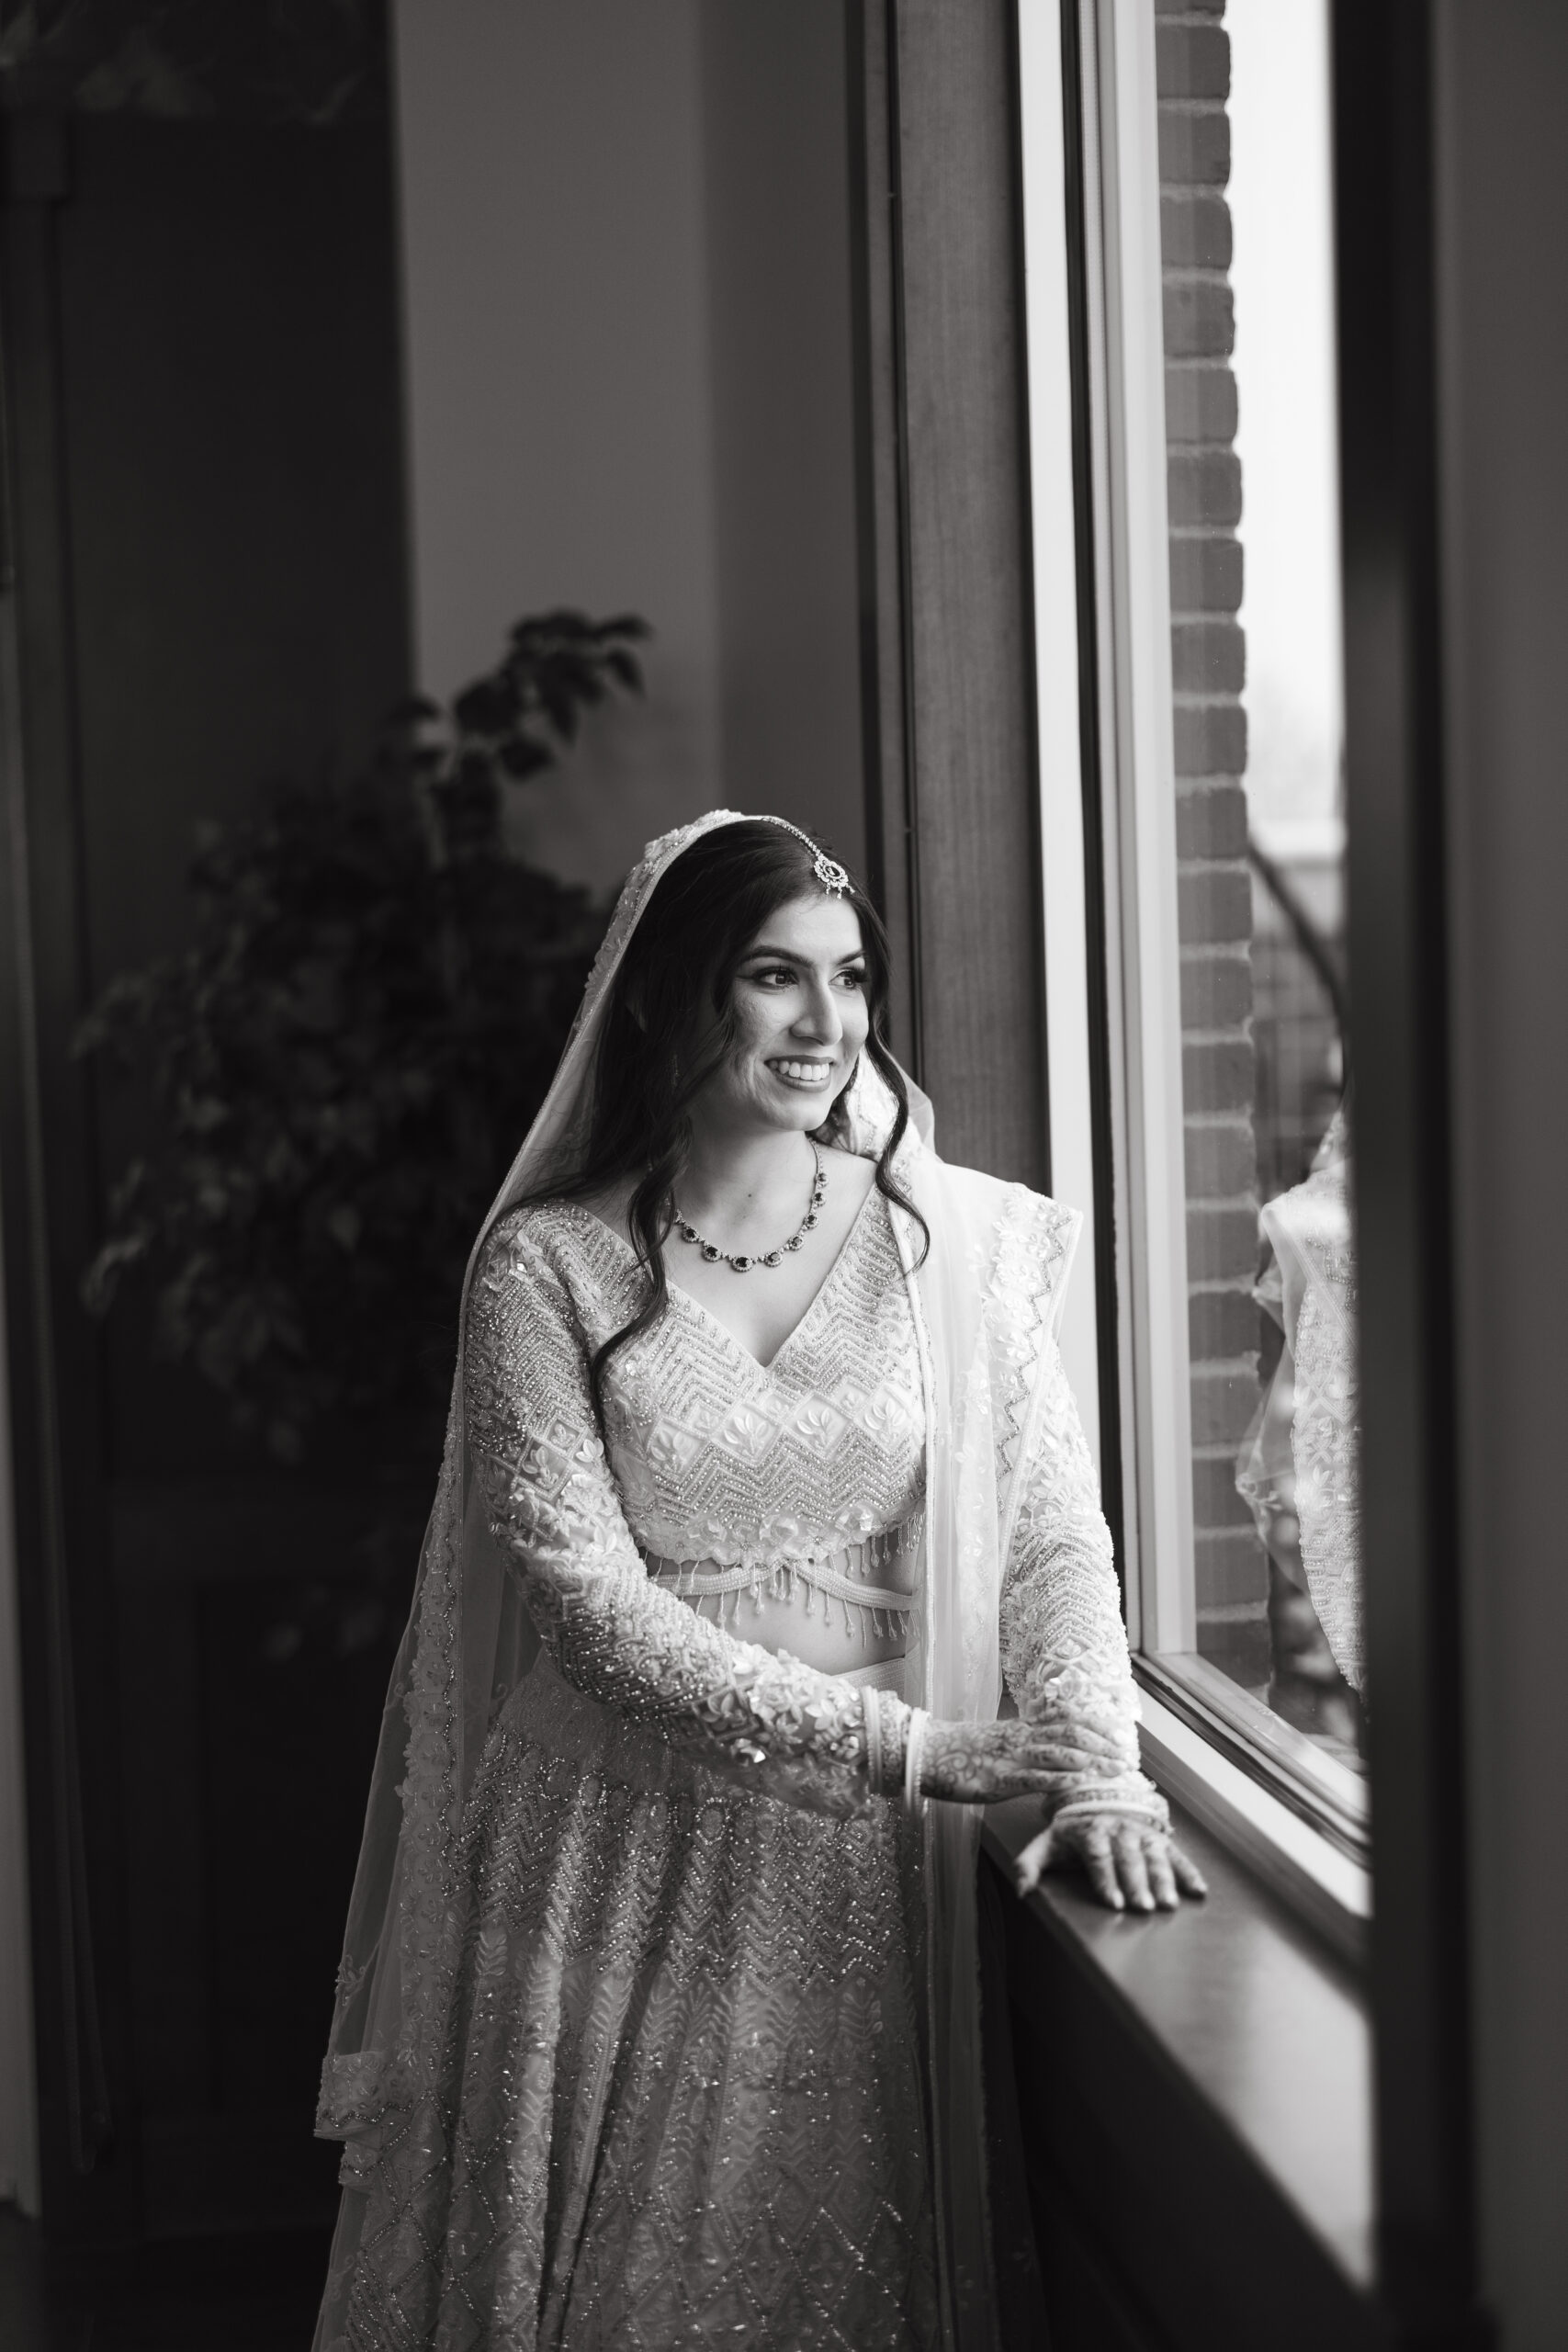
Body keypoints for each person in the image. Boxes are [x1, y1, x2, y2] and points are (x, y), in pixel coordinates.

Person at [313, 811, 1204, 2352]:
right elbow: (588, 1612)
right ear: (672, 997)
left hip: (857, 1879)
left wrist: (1102, 1771)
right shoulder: (552, 1268)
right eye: (774, 979)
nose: (826, 1022)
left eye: (848, 979)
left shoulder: (951, 1240)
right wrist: (910, 1750)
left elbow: (1052, 1535)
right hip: (605, 1844)